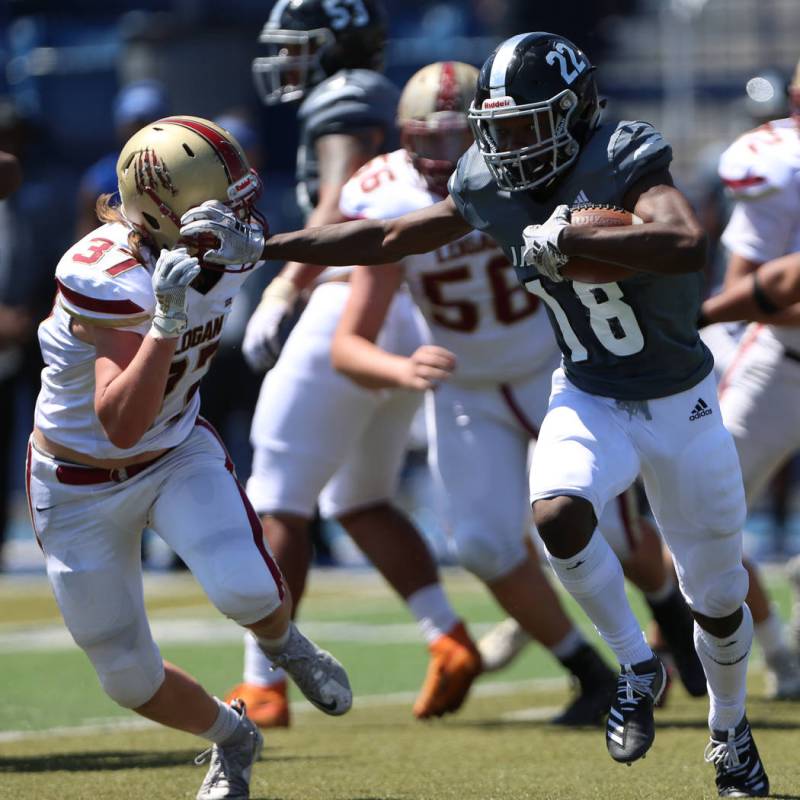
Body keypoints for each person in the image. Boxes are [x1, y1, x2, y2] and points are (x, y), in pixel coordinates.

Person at [181, 32, 769, 798]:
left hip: (681, 402)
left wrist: (580, 231)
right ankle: (633, 663)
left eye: (532, 124)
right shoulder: (488, 179)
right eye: (505, 128)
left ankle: (731, 734)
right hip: (587, 388)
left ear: (576, 111)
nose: (516, 146)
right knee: (557, 513)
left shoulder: (623, 155)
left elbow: (687, 243)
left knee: (717, 601)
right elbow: (389, 236)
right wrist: (264, 246)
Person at [330, 59, 705, 718]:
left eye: (458, 138)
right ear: (403, 137)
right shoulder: (387, 192)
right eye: (429, 138)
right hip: (465, 384)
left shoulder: (529, 170)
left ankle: (672, 618)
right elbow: (378, 259)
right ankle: (588, 671)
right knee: (479, 542)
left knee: (616, 532)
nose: (446, 155)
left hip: (548, 365)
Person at [27, 115, 351, 800]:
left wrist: (273, 263)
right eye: (221, 199)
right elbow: (118, 423)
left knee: (247, 587)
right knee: (125, 677)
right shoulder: (101, 275)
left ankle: (285, 645)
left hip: (174, 453)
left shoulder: (225, 241)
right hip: (77, 477)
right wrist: (165, 324)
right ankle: (234, 738)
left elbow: (326, 243)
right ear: (165, 209)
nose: (240, 213)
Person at [228, 0, 483, 728]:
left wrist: (284, 286)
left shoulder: (346, 100)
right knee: (360, 498)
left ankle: (264, 683)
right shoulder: (381, 98)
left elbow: (339, 204)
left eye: (300, 45)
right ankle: (447, 636)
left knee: (278, 497)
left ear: (337, 45)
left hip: (350, 301)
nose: (287, 60)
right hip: (408, 311)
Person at [698, 65, 800, 701]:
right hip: (781, 361)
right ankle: (777, 652)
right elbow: (743, 294)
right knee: (705, 512)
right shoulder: (775, 167)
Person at [74, 80, 169, 240]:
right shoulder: (99, 178)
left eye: (148, 123)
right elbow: (86, 233)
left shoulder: (184, 165)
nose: (140, 131)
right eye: (135, 125)